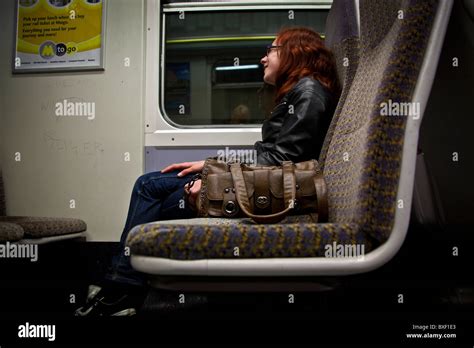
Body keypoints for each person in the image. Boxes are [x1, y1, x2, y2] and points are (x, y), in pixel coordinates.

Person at [75, 26, 340, 316]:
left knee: (152, 190)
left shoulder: (309, 92)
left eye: (271, 49)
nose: (263, 58)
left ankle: (121, 290)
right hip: (263, 184)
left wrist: (215, 176)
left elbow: (281, 161)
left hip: (273, 194)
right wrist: (209, 165)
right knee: (152, 186)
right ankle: (124, 290)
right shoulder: (301, 91)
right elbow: (275, 157)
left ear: (294, 52)